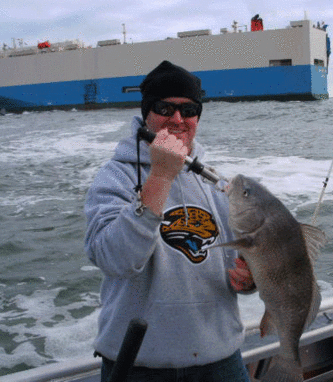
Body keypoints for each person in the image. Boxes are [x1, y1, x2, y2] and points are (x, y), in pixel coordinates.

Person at [84, 60, 255, 382]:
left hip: (221, 361)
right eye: (165, 108)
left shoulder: (215, 183)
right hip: (137, 366)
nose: (178, 119)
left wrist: (249, 279)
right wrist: (161, 175)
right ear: (146, 114)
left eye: (189, 110)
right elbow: (114, 259)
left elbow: (239, 261)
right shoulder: (115, 177)